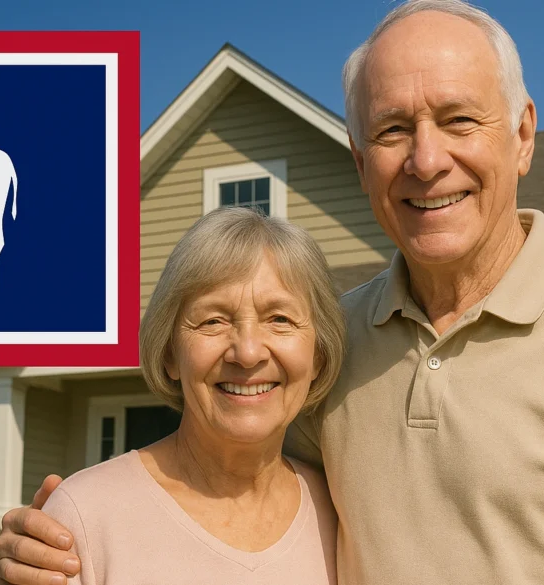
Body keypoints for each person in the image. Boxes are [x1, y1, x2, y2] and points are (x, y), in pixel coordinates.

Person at [0, 1, 544, 584]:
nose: (426, 160)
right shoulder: (330, 344)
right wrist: (48, 537)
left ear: (522, 135)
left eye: (457, 119)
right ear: (362, 164)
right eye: (393, 130)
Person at [33, 206, 346, 584]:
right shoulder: (84, 516)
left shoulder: (342, 512)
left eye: (280, 319)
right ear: (170, 355)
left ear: (318, 356)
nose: (247, 353)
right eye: (213, 320)